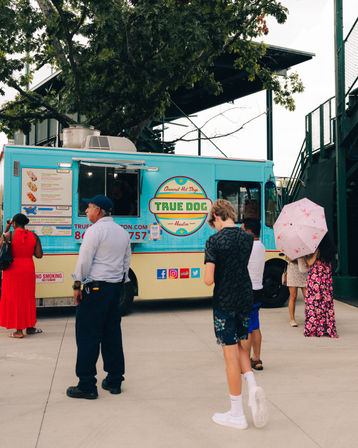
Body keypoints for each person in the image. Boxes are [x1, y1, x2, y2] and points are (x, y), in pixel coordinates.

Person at [204, 199, 268, 430]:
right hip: (245, 298)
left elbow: (208, 279)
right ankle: (252, 386)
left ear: (217, 217)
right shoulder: (247, 238)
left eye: (214, 222)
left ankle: (237, 413)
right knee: (241, 345)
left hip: (224, 301)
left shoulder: (214, 241)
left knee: (229, 355)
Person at [66, 195, 131, 400]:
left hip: (94, 291)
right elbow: (126, 262)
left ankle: (86, 385)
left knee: (87, 336)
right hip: (114, 290)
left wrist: (77, 284)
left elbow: (84, 261)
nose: (86, 210)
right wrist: (119, 283)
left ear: (99, 211)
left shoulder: (94, 231)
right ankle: (114, 381)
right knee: (112, 335)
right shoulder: (122, 233)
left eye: (89, 207)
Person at [0, 213, 43, 338]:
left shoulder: (9, 235)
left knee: (15, 298)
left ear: (14, 223)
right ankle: (30, 327)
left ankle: (18, 331)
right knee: (28, 297)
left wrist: (6, 229)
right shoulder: (34, 236)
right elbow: (39, 255)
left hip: (13, 269)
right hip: (28, 268)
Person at [241, 218, 265, 371]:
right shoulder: (261, 246)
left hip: (246, 291)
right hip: (258, 290)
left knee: (246, 329)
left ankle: (245, 363)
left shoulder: (247, 247)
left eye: (243, 229)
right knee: (255, 325)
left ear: (249, 232)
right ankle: (256, 358)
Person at [304, 234, 338, 338]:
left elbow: (310, 263)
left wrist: (310, 255)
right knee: (326, 304)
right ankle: (326, 327)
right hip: (326, 281)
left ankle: (314, 329)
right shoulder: (330, 251)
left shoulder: (317, 250)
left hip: (315, 281)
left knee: (314, 304)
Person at [286, 258, 308, 327]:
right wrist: (298, 258)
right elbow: (288, 258)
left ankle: (309, 317)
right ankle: (292, 319)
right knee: (293, 296)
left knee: (307, 297)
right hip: (293, 270)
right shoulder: (290, 248)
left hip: (304, 270)